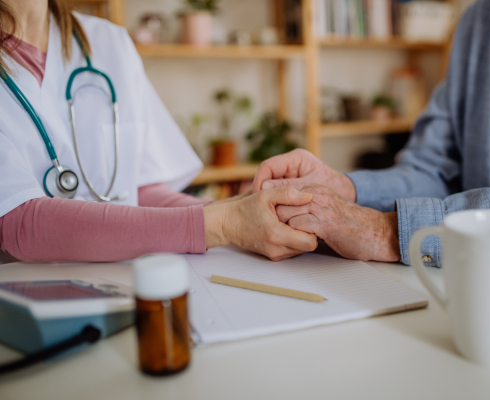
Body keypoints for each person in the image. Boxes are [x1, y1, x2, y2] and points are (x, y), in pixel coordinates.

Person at [252, 0, 490, 278]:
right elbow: (434, 169)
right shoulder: (479, 19)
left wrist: (386, 232)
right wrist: (345, 188)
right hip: (453, 287)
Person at [0, 0, 317, 263]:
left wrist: (243, 211)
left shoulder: (109, 42)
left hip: (127, 282)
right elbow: (20, 224)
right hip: (31, 302)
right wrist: (223, 223)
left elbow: (141, 189)